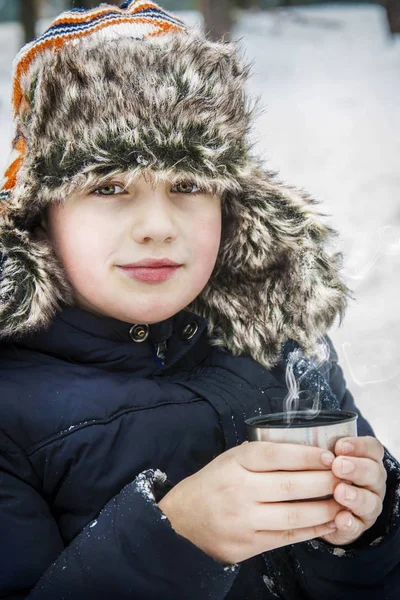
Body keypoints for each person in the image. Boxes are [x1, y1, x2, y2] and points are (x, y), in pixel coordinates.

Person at [0, 1, 399, 599]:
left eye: (188, 183)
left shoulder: (280, 338)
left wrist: (371, 526)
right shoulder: (10, 407)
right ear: (40, 215)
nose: (158, 225)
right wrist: (179, 536)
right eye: (109, 185)